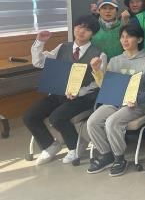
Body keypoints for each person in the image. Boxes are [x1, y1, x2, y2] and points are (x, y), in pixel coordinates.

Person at [23, 15, 105, 165]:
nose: (81, 31)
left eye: (87, 29)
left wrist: (79, 92)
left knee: (57, 117)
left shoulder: (99, 54)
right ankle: (50, 145)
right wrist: (40, 42)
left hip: (84, 97)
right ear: (74, 28)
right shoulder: (62, 47)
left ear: (93, 34)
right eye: (79, 27)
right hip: (59, 92)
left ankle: (75, 146)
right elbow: (39, 62)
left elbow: (99, 83)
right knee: (30, 116)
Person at [86, 24, 145, 177]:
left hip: (136, 105)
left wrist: (137, 99)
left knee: (112, 122)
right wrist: (97, 70)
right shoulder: (114, 61)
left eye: (129, 36)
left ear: (139, 39)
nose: (125, 40)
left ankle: (119, 158)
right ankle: (106, 154)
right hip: (115, 101)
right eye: (122, 37)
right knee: (92, 121)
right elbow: (106, 86)